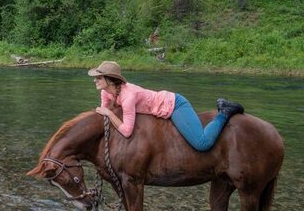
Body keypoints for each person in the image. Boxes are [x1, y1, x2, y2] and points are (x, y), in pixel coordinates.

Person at [88, 60, 244, 152]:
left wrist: (109, 114)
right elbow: (104, 112)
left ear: (110, 80)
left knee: (202, 144)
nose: (95, 80)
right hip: (160, 105)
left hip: (174, 105)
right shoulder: (106, 92)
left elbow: (127, 131)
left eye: (99, 77)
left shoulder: (128, 96)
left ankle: (224, 111)